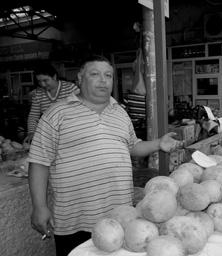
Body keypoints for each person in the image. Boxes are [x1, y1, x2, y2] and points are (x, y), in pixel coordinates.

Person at [27, 55, 184, 256]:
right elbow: (39, 162)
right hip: (76, 220)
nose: (103, 80)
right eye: (95, 74)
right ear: (80, 78)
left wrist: (158, 144)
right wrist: (39, 207)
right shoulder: (56, 113)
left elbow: (133, 146)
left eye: (108, 75)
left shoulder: (120, 112)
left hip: (120, 219)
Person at [24, 63, 79, 143]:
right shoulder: (38, 93)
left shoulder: (71, 88)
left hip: (72, 133)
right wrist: (31, 132)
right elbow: (33, 116)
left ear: (54, 76)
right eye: (39, 81)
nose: (42, 84)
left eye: (45, 80)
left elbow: (81, 110)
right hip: (50, 136)